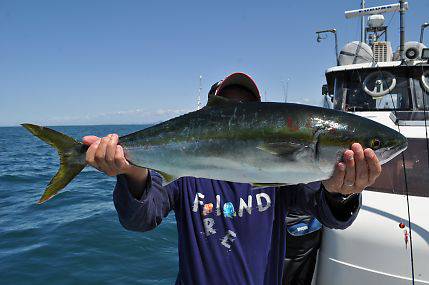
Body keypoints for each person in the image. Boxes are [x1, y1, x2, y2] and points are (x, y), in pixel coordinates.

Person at [82, 73, 382, 285]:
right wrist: (132, 170)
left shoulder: (284, 175)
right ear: (207, 116)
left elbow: (328, 212)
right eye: (225, 109)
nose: (236, 118)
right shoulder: (185, 170)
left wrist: (341, 192)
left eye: (247, 111)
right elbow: (141, 219)